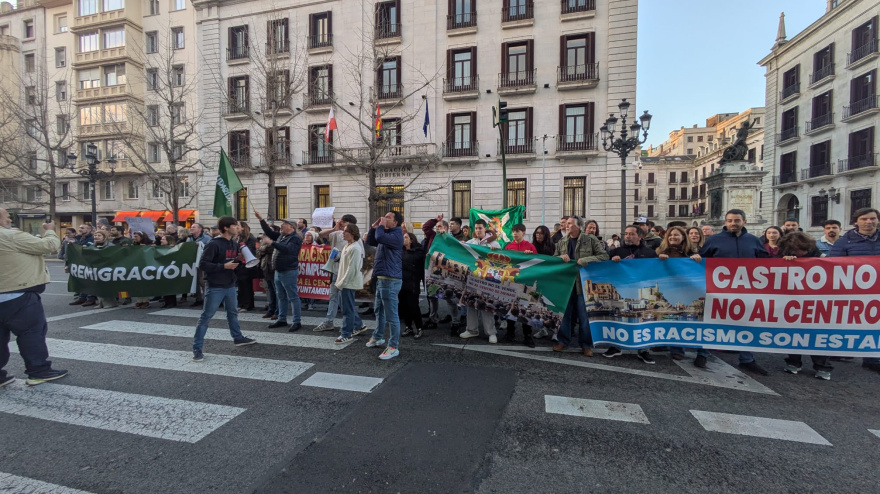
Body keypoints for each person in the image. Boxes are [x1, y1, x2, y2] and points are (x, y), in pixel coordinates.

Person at [0, 208, 68, 387]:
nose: (9, 220)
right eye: (7, 217)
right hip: (17, 294)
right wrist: (50, 230)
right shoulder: (10, 236)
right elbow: (50, 246)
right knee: (31, 334)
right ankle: (38, 371)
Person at [699, 209, 770, 375]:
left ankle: (747, 359)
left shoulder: (753, 240)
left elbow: (766, 262)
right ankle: (702, 353)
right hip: (718, 290)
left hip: (747, 290)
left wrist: (789, 261)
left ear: (744, 221)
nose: (733, 223)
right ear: (725, 222)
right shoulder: (714, 240)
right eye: (730, 220)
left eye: (737, 220)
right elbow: (701, 261)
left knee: (746, 323)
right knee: (712, 322)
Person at [191, 216, 256, 361]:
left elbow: (229, 261)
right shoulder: (214, 244)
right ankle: (197, 348)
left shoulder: (233, 243)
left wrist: (238, 259)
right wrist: (223, 266)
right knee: (206, 317)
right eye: (235, 225)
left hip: (230, 285)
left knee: (232, 313)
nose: (237, 228)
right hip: (216, 286)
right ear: (226, 228)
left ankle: (237, 337)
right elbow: (203, 264)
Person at [829, 207, 880, 374]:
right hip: (854, 290)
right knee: (852, 321)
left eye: (872, 218)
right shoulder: (845, 241)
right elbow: (833, 264)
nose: (869, 222)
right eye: (864, 219)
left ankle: (872, 358)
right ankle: (844, 350)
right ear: (856, 222)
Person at [777, 232, 833, 380]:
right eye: (795, 251)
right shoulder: (785, 253)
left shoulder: (818, 254)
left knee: (816, 334)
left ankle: (822, 366)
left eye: (801, 251)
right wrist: (784, 261)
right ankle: (793, 362)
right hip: (792, 301)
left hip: (815, 302)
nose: (799, 254)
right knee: (793, 332)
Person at [602, 225, 662, 364]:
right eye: (626, 234)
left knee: (643, 320)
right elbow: (605, 269)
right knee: (618, 319)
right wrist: (612, 261)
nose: (628, 236)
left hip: (642, 293)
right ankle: (615, 346)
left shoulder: (650, 253)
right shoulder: (615, 251)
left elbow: (655, 271)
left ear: (640, 236)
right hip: (621, 291)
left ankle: (643, 350)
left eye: (631, 234)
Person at [553, 216, 609, 356]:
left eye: (570, 223)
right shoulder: (562, 241)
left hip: (583, 284)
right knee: (564, 315)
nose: (567, 225)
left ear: (578, 226)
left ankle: (585, 344)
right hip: (566, 283)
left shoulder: (590, 240)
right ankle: (563, 341)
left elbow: (604, 256)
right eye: (566, 223)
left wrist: (586, 259)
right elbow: (554, 258)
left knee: (584, 316)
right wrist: (560, 258)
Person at [315, 215, 366, 335]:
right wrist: (334, 228)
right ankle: (329, 321)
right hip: (335, 271)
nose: (342, 224)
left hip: (345, 274)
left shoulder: (356, 242)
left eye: (345, 223)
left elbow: (358, 259)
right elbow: (320, 235)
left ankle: (355, 325)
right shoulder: (337, 233)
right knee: (334, 298)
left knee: (346, 302)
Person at [365, 211, 405, 360]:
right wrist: (373, 227)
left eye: (388, 217)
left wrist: (380, 228)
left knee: (392, 315)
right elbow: (371, 240)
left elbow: (380, 237)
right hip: (382, 278)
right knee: (378, 310)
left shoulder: (396, 236)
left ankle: (393, 346)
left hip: (391, 280)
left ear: (395, 223)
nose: (384, 218)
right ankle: (378, 336)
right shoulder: (386, 234)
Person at [256, 212, 304, 332]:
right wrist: (261, 219)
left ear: (291, 227)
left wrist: (272, 243)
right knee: (281, 296)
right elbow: (269, 231)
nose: (281, 225)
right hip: (278, 271)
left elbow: (287, 250)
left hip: (289, 271)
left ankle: (296, 321)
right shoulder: (281, 236)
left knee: (293, 297)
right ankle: (282, 318)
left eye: (284, 224)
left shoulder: (295, 239)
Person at [460, 219, 502, 342]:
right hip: (472, 278)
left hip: (487, 280)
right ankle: (471, 329)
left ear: (485, 229)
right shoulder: (470, 242)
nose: (478, 230)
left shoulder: (494, 244)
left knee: (487, 306)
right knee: (470, 304)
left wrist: (496, 252)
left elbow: (501, 262)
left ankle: (491, 332)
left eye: (480, 228)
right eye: (476, 228)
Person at [502, 224, 537, 346]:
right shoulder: (508, 246)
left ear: (523, 232)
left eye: (517, 231)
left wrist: (530, 255)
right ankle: (510, 332)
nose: (515, 234)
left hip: (526, 283)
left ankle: (527, 335)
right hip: (511, 282)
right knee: (510, 307)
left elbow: (536, 264)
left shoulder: (530, 246)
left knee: (525, 308)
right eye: (513, 231)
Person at [334, 224, 364, 344]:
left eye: (345, 231)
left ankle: (346, 334)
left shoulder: (355, 248)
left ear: (351, 233)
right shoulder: (348, 245)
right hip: (345, 282)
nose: (343, 233)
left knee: (347, 309)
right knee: (348, 306)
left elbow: (352, 269)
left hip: (348, 283)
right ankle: (358, 325)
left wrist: (341, 283)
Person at [400, 232, 426, 339]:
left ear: (411, 240)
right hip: (401, 283)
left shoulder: (418, 252)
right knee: (404, 306)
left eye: (406, 237)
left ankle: (419, 328)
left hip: (412, 283)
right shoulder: (400, 250)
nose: (403, 239)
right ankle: (408, 327)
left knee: (413, 306)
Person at [69, 224, 97, 307]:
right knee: (82, 280)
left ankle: (90, 299)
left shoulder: (91, 238)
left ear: (88, 230)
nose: (80, 229)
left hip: (89, 262)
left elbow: (89, 248)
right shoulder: (79, 238)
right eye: (80, 227)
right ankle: (82, 298)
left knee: (89, 281)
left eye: (82, 228)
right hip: (80, 262)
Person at [188, 222, 211, 307]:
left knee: (202, 281)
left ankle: (207, 299)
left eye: (194, 227)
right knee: (195, 281)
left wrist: (201, 245)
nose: (191, 228)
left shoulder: (207, 238)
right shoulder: (189, 238)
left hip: (202, 262)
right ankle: (198, 299)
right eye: (191, 227)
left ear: (200, 229)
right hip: (192, 262)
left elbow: (210, 249)